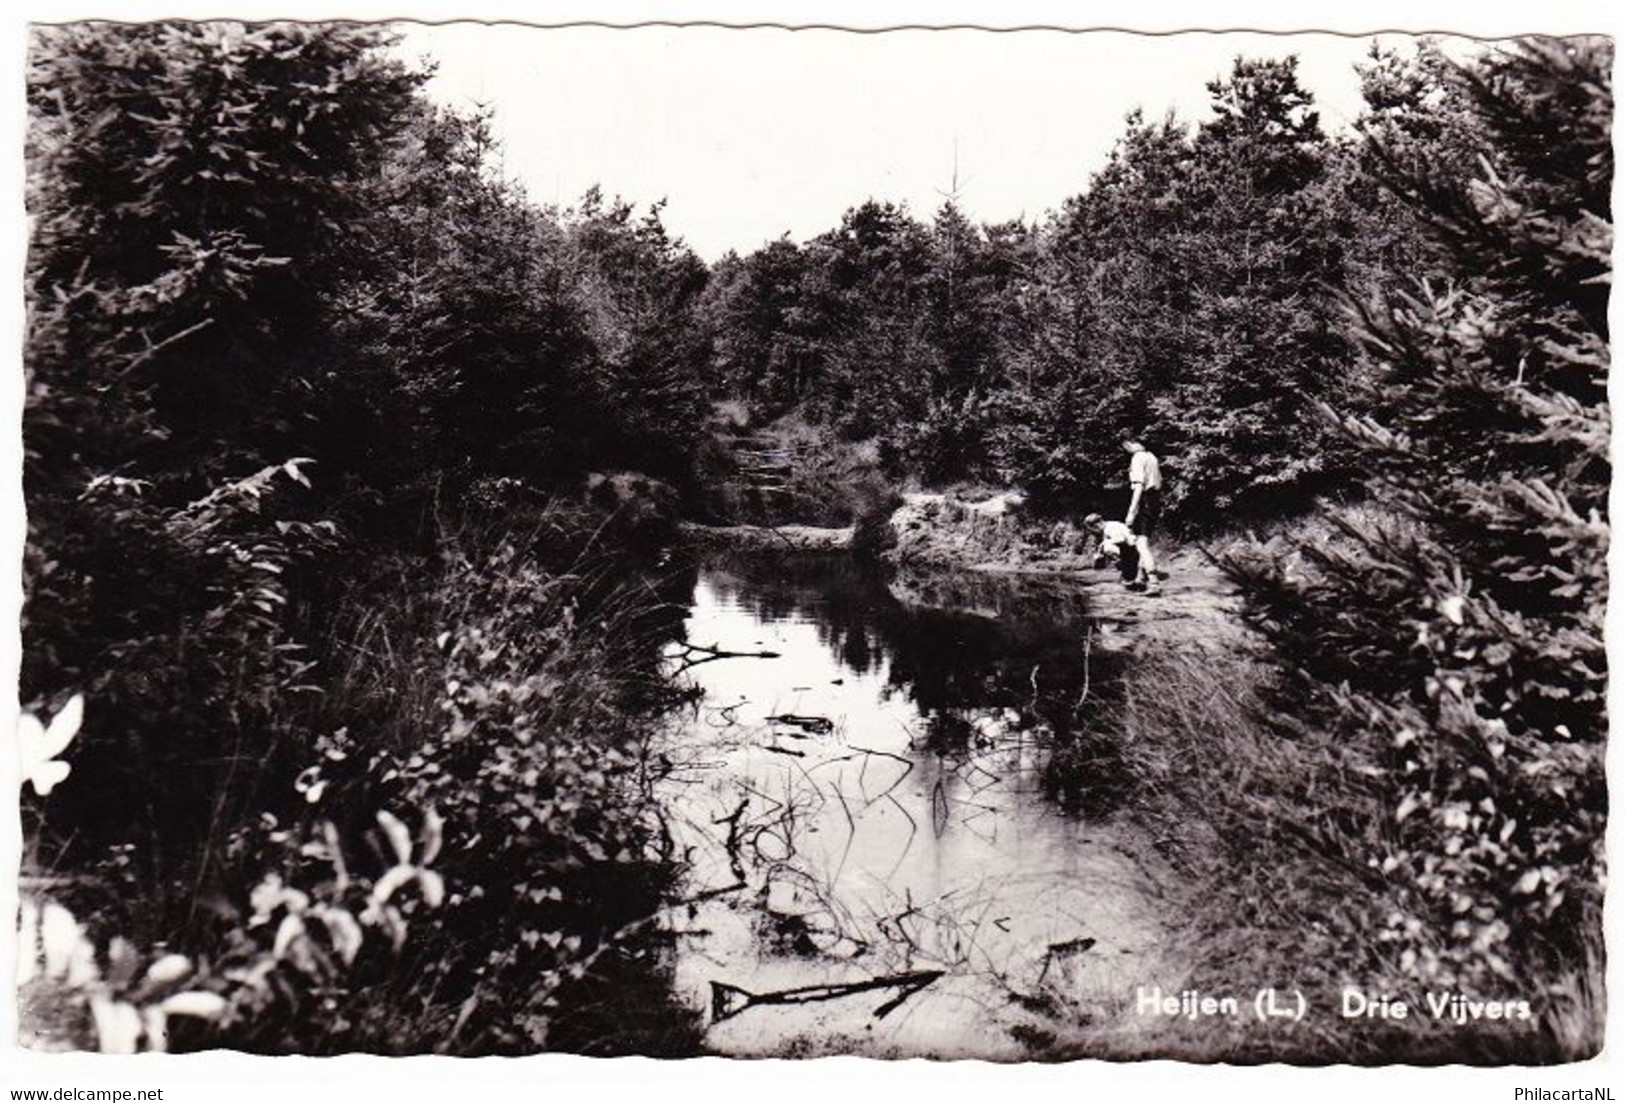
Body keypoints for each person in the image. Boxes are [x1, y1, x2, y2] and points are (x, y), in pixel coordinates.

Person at [1122, 439, 1162, 596]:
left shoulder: (1137, 457)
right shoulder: (1152, 457)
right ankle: (1140, 578)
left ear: (1133, 443)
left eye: (1126, 446)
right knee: (1143, 541)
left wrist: (1131, 512)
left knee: (1141, 546)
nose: (1126, 450)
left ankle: (1154, 583)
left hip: (1144, 502)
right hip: (1154, 501)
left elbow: (1138, 487)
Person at [1085, 513, 1139, 585]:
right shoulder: (1109, 526)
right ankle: (1128, 572)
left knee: (1107, 547)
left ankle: (1128, 568)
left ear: (1096, 526)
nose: (1094, 532)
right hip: (1130, 549)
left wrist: (1104, 544)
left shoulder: (1110, 528)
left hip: (1133, 551)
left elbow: (1122, 539)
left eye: (1093, 529)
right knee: (1106, 546)